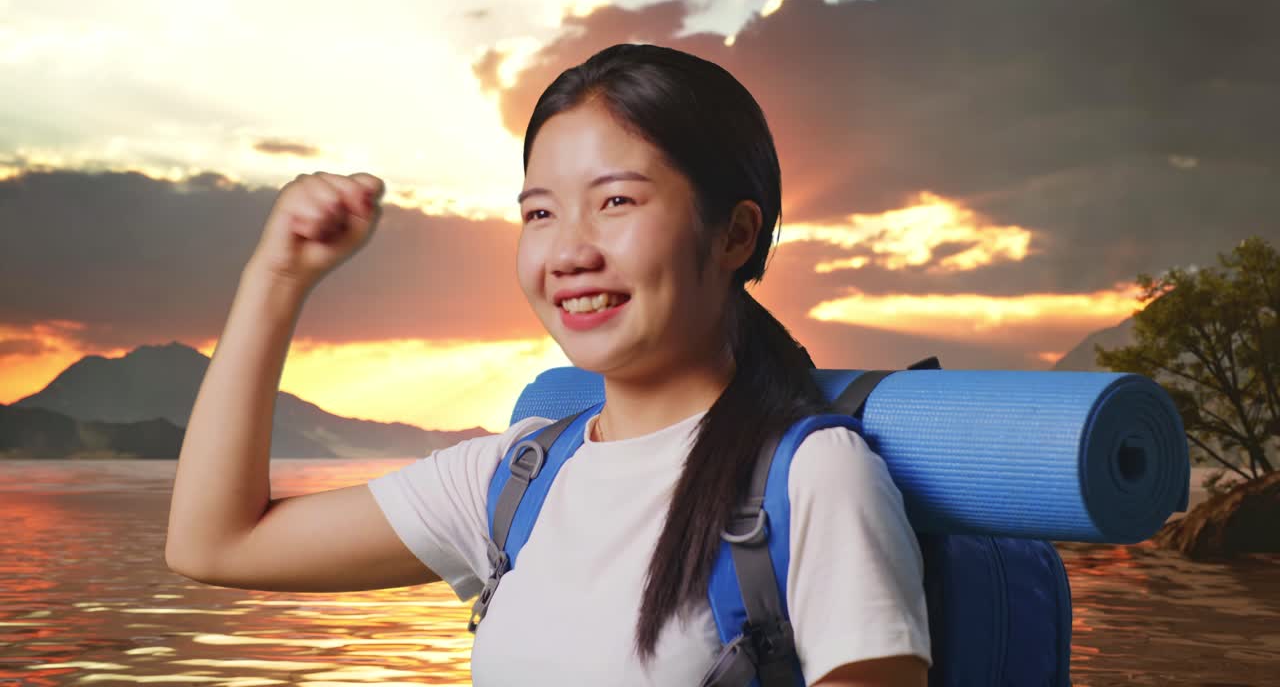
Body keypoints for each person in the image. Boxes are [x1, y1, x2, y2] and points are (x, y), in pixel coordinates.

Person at [165, 42, 931, 686]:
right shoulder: (514, 480)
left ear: (734, 235)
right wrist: (277, 278)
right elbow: (213, 543)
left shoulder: (812, 480)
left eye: (617, 202)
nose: (569, 251)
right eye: (539, 212)